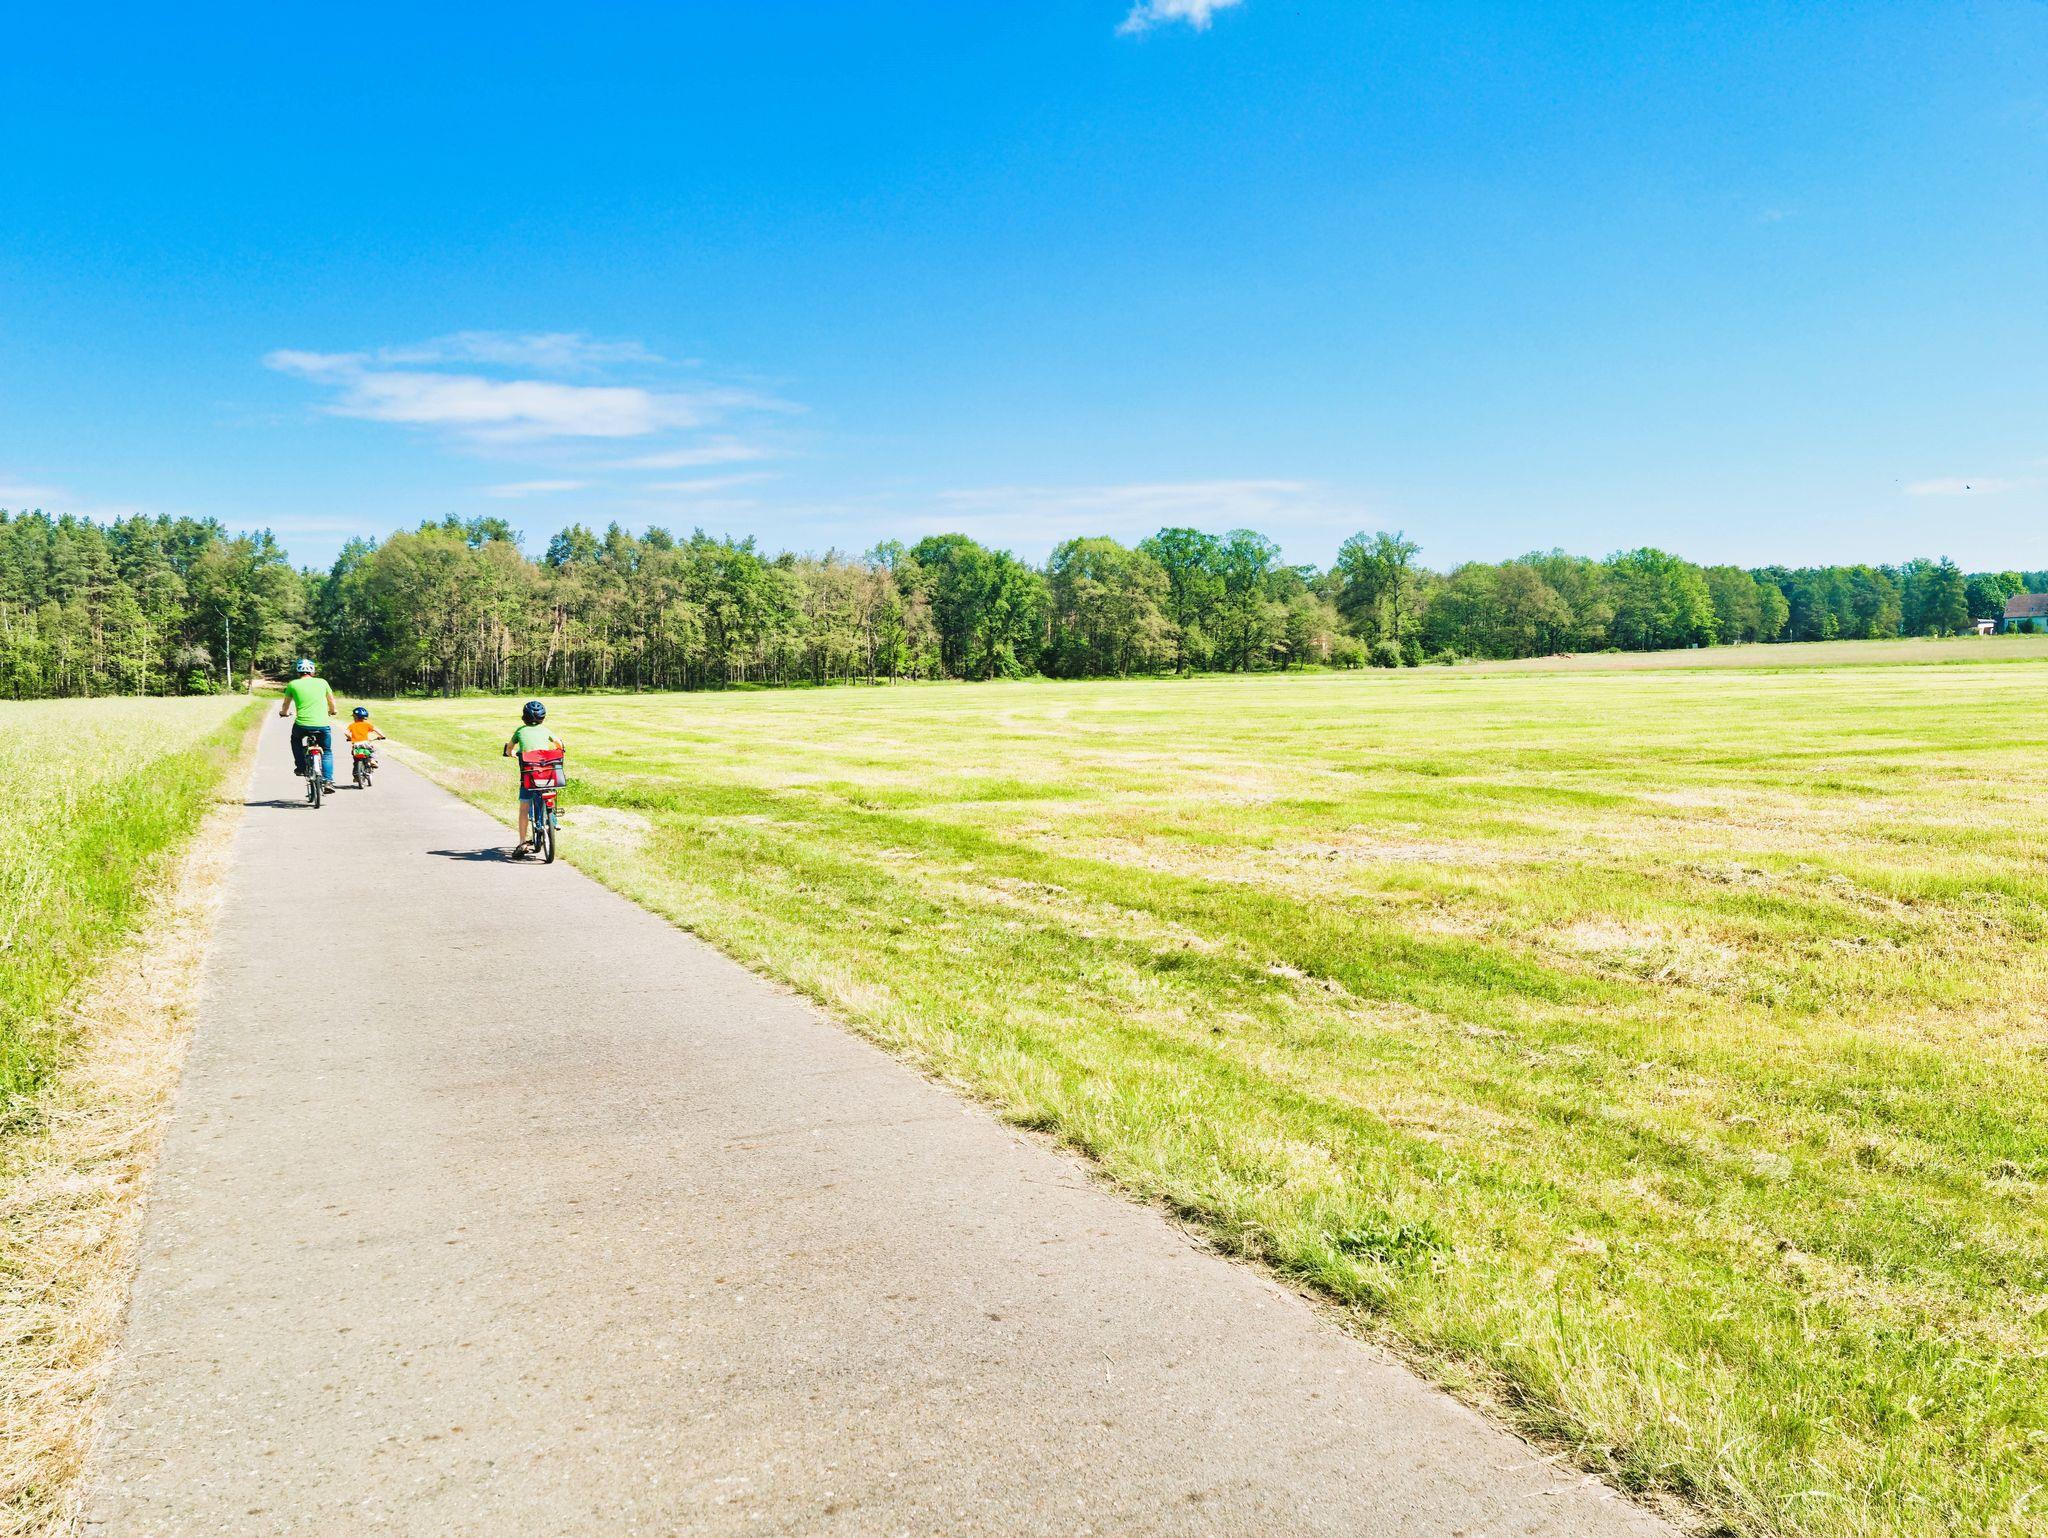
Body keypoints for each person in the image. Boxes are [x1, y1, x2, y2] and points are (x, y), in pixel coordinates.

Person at [502, 699, 564, 856]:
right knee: (549, 790)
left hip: (529, 776)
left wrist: (510, 753)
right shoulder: (545, 730)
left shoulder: (520, 731)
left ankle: (522, 842)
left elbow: (509, 749)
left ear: (524, 717)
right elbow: (559, 744)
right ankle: (552, 820)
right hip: (547, 774)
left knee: (524, 807)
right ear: (543, 718)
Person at [279, 658, 339, 786]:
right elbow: (331, 701)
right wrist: (333, 711)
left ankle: (301, 767)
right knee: (327, 751)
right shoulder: (322, 682)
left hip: (302, 725)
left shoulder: (293, 684)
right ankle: (328, 780)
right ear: (312, 670)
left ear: (298, 671)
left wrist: (284, 713)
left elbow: (286, 704)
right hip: (322, 725)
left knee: (295, 740)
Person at [345, 705, 386, 769]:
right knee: (374, 751)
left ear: (355, 717)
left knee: (355, 755)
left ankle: (356, 769)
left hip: (356, 745)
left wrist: (350, 738)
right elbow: (376, 730)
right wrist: (382, 736)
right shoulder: (367, 724)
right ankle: (372, 760)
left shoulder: (352, 725)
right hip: (365, 743)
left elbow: (346, 733)